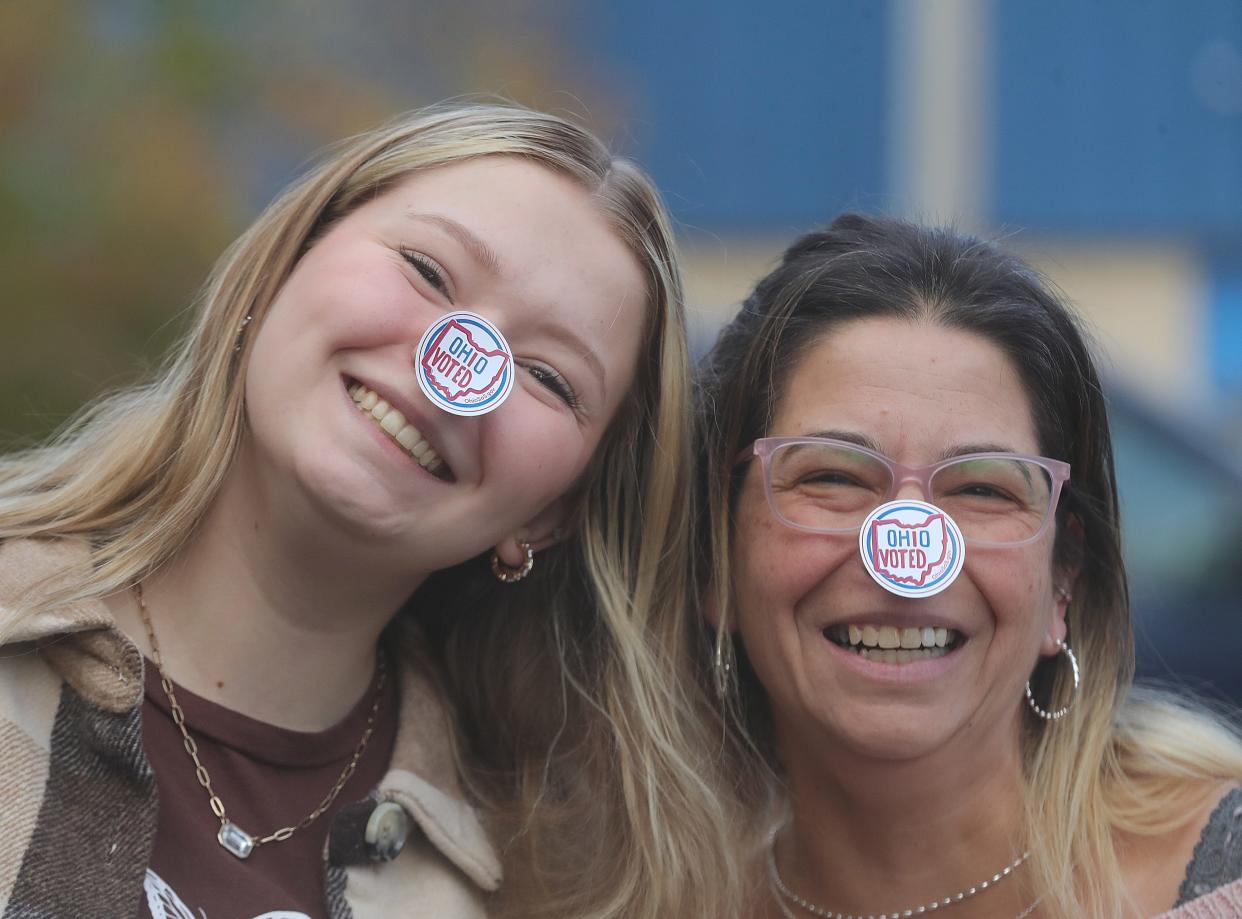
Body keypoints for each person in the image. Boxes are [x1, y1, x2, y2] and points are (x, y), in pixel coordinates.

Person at [0, 103, 741, 919]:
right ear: (289, 259)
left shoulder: (555, 887)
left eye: (548, 377)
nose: (451, 372)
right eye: (427, 271)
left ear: (555, 513)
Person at [695, 213, 1242, 918]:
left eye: (984, 489)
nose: (907, 555)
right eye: (832, 477)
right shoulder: (638, 896)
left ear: (1062, 583)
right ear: (715, 559)